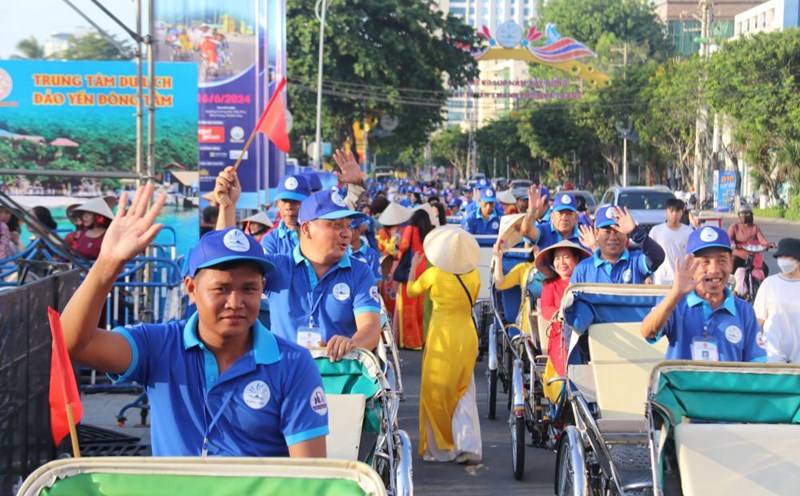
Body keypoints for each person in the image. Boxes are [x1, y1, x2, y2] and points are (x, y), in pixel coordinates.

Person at [61, 183, 328, 457]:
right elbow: (74, 343)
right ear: (191, 289)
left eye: (249, 289)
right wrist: (108, 262)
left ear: (262, 288)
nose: (235, 302)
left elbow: (309, 471)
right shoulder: (158, 345)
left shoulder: (292, 363)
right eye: (221, 289)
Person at [215, 164, 381, 362]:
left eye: (347, 225)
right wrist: (227, 206)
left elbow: (371, 327)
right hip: (285, 374)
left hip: (336, 374)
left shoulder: (360, 271)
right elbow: (228, 260)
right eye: (336, 225)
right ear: (307, 229)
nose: (346, 233)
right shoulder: (277, 267)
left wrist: (352, 344)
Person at [407, 225, 482, 463]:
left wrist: (413, 267)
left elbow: (411, 291)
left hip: (441, 337)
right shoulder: (474, 275)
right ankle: (467, 445)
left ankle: (440, 447)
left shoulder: (434, 274)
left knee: (435, 391)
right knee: (464, 389)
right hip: (466, 335)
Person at [641, 226, 765, 362]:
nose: (714, 269)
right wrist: (675, 293)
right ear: (690, 265)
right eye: (705, 261)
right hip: (682, 377)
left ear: (731, 263)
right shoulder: (676, 303)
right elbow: (647, 332)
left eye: (722, 260)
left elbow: (757, 363)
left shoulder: (744, 311)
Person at [535, 241, 590, 401]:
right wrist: (560, 314)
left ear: (576, 259)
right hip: (561, 336)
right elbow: (546, 309)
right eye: (557, 258)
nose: (561, 262)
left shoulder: (586, 282)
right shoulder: (550, 285)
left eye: (566, 257)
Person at [570, 205, 665, 284]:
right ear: (596, 233)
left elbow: (658, 257)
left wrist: (635, 232)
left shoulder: (636, 262)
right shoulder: (582, 269)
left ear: (626, 235)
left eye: (618, 231)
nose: (612, 237)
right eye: (607, 231)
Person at [753, 238, 800, 363]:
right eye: (780, 256)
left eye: (787, 257)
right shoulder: (770, 283)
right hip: (772, 354)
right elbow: (758, 319)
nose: (783, 260)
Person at [395, 209, 434, 350]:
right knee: (421, 308)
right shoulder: (429, 232)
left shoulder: (410, 229)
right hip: (424, 270)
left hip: (411, 269)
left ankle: (410, 341)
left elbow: (403, 247)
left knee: (407, 307)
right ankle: (422, 339)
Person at [260, 175, 311, 255]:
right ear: (277, 204)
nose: (289, 207)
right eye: (284, 201)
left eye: (295, 201)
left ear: (308, 203)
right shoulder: (270, 240)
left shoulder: (319, 233)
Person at [520, 189, 585, 250]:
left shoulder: (584, 235)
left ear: (576, 217)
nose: (564, 218)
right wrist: (532, 210)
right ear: (552, 216)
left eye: (569, 214)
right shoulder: (544, 231)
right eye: (560, 213)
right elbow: (526, 231)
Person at [648, 198, 694, 285]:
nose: (674, 214)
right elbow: (648, 254)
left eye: (677, 211)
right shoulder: (656, 231)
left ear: (682, 212)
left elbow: (693, 256)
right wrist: (647, 276)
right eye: (671, 211)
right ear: (666, 211)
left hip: (681, 279)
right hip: (661, 279)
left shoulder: (689, 232)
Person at [728, 204, 770, 272]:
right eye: (742, 214)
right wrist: (732, 245)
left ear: (751, 215)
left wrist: (768, 244)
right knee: (732, 264)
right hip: (738, 253)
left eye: (747, 214)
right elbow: (728, 239)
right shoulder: (734, 227)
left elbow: (762, 239)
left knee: (765, 269)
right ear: (739, 215)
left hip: (752, 255)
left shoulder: (755, 228)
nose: (744, 216)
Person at [348, 216, 381, 284]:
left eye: (349, 229)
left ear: (358, 230)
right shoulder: (341, 253)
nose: (345, 233)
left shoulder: (371, 255)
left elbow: (377, 282)